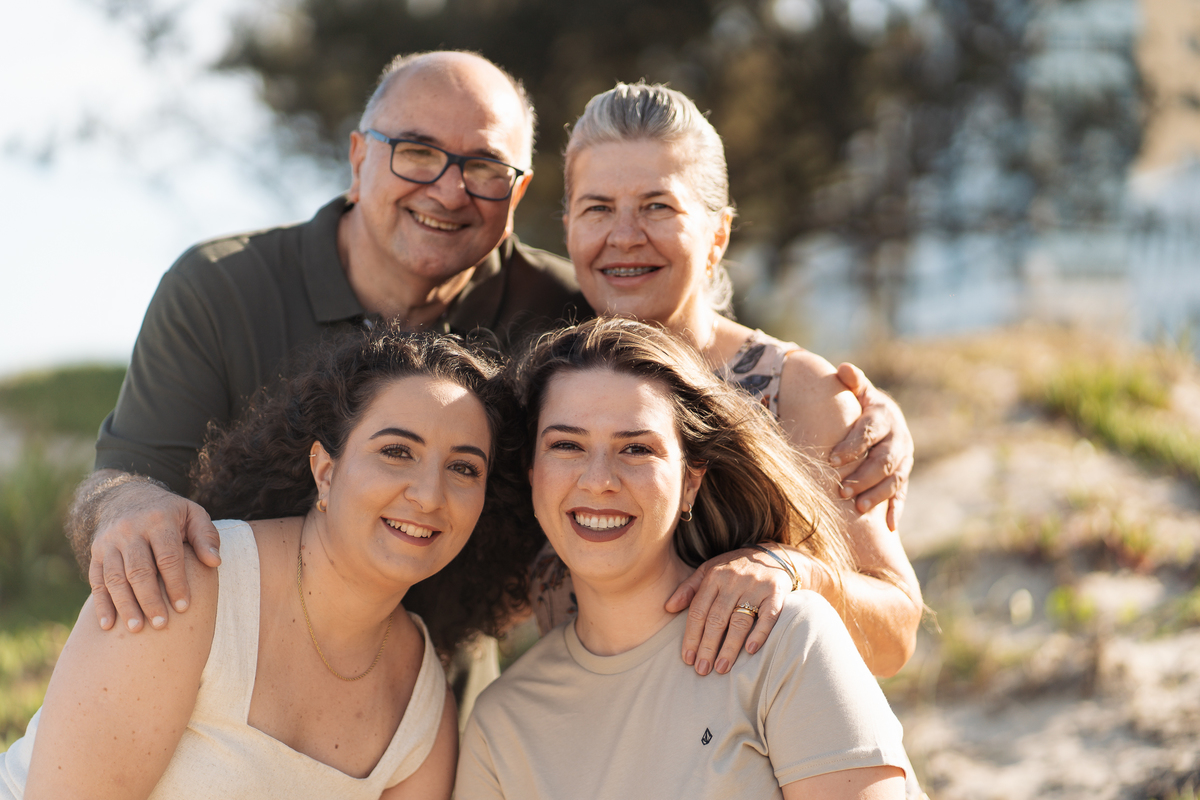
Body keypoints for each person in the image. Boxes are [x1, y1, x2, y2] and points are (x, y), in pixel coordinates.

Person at [68, 51, 912, 679]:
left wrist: (853, 412)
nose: (448, 189)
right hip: (228, 672)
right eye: (415, 152)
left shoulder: (577, 323)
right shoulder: (224, 288)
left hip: (443, 702)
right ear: (357, 158)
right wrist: (126, 508)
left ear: (518, 194)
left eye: (482, 168)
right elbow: (125, 478)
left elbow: (702, 350)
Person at [2, 325, 536, 800]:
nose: (429, 495)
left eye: (464, 468)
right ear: (325, 470)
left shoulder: (423, 710)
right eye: (397, 452)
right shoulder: (188, 590)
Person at [546, 81, 923, 678]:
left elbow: (896, 633)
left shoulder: (796, 390)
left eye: (657, 206)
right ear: (568, 226)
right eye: (598, 209)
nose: (624, 235)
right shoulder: (548, 385)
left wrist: (795, 572)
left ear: (718, 233)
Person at [456, 318, 909, 799]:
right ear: (532, 474)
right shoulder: (499, 722)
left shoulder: (785, 641)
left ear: (691, 480)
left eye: (636, 448)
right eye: (567, 445)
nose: (598, 480)